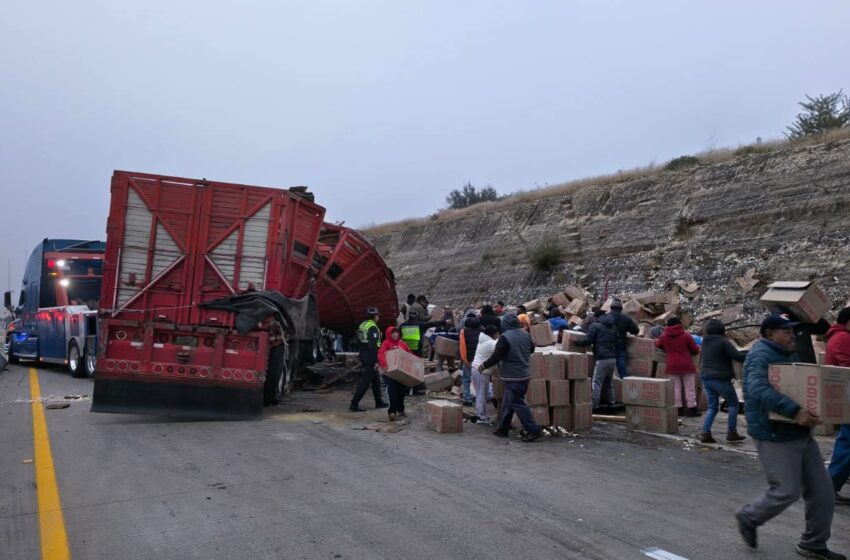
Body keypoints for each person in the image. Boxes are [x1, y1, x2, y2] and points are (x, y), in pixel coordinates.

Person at [736, 315, 843, 560]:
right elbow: (757, 389)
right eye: (786, 331)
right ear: (770, 333)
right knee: (786, 490)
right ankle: (749, 516)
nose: (792, 335)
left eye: (792, 331)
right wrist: (795, 411)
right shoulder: (760, 355)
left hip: (799, 432)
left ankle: (813, 544)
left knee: (823, 492)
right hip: (774, 433)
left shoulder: (787, 352)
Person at [480, 312, 542, 442]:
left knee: (518, 403)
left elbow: (497, 356)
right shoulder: (526, 334)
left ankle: (533, 430)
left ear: (505, 324)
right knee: (508, 402)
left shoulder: (505, 337)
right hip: (524, 374)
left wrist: (484, 365)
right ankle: (503, 429)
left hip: (513, 376)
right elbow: (531, 350)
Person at [698, 319, 747, 443]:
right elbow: (738, 356)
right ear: (721, 329)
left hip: (706, 377)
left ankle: (705, 433)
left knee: (712, 407)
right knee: (733, 404)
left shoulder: (704, 341)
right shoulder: (723, 341)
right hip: (720, 378)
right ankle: (732, 432)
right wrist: (753, 353)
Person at [826, 307, 850, 505]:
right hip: (847, 396)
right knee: (847, 444)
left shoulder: (838, 336)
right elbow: (847, 366)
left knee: (845, 442)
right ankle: (830, 485)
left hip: (844, 396)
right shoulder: (843, 337)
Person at [655, 317, 701, 417]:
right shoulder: (686, 335)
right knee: (689, 388)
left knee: (676, 388)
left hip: (672, 365)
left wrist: (666, 348)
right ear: (679, 324)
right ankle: (692, 409)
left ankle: (678, 410)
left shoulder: (664, 336)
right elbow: (695, 350)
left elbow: (657, 344)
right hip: (686, 365)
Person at [573, 311, 618, 411]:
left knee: (597, 382)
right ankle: (612, 404)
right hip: (612, 358)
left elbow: (588, 341)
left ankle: (594, 406)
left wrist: (575, 342)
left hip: (602, 358)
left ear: (597, 317)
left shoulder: (595, 326)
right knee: (609, 383)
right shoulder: (613, 327)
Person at [350, 307, 388, 412]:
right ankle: (354, 404)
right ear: (375, 316)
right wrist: (375, 361)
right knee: (365, 381)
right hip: (370, 356)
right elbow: (373, 346)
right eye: (378, 315)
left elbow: (359, 341)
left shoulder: (363, 324)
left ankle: (379, 402)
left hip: (363, 353)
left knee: (376, 380)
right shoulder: (373, 327)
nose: (378, 317)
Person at [377, 326, 414, 420]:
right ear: (389, 334)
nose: (395, 334)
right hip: (389, 373)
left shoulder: (402, 344)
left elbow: (409, 354)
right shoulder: (386, 344)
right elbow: (381, 355)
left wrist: (416, 362)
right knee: (392, 392)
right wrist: (384, 365)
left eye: (396, 333)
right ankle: (392, 411)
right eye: (393, 333)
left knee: (401, 392)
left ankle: (401, 410)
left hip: (401, 374)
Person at [471, 325, 500, 423]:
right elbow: (501, 346)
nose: (498, 335)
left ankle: (481, 414)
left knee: (482, 393)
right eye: (497, 334)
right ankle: (481, 417)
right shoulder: (490, 343)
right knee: (481, 394)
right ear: (493, 334)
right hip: (481, 371)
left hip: (477, 369)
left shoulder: (483, 340)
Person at [459, 311, 483, 407]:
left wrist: (464, 359)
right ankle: (479, 398)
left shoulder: (464, 331)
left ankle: (467, 398)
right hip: (480, 359)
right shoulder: (482, 329)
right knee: (480, 380)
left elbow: (462, 346)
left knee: (466, 379)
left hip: (468, 359)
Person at [610, 299, 640, 378]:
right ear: (621, 308)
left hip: (607, 345)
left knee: (606, 366)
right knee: (621, 365)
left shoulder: (605, 317)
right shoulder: (625, 318)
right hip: (620, 345)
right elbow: (636, 330)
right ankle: (624, 381)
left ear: (611, 307)